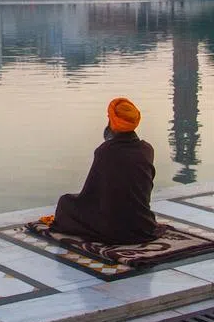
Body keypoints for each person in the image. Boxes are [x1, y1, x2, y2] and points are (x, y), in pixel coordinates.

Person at [45, 97, 158, 244]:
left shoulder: (105, 151)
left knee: (65, 203)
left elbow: (90, 193)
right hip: (143, 224)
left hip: (112, 227)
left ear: (112, 122)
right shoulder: (147, 149)